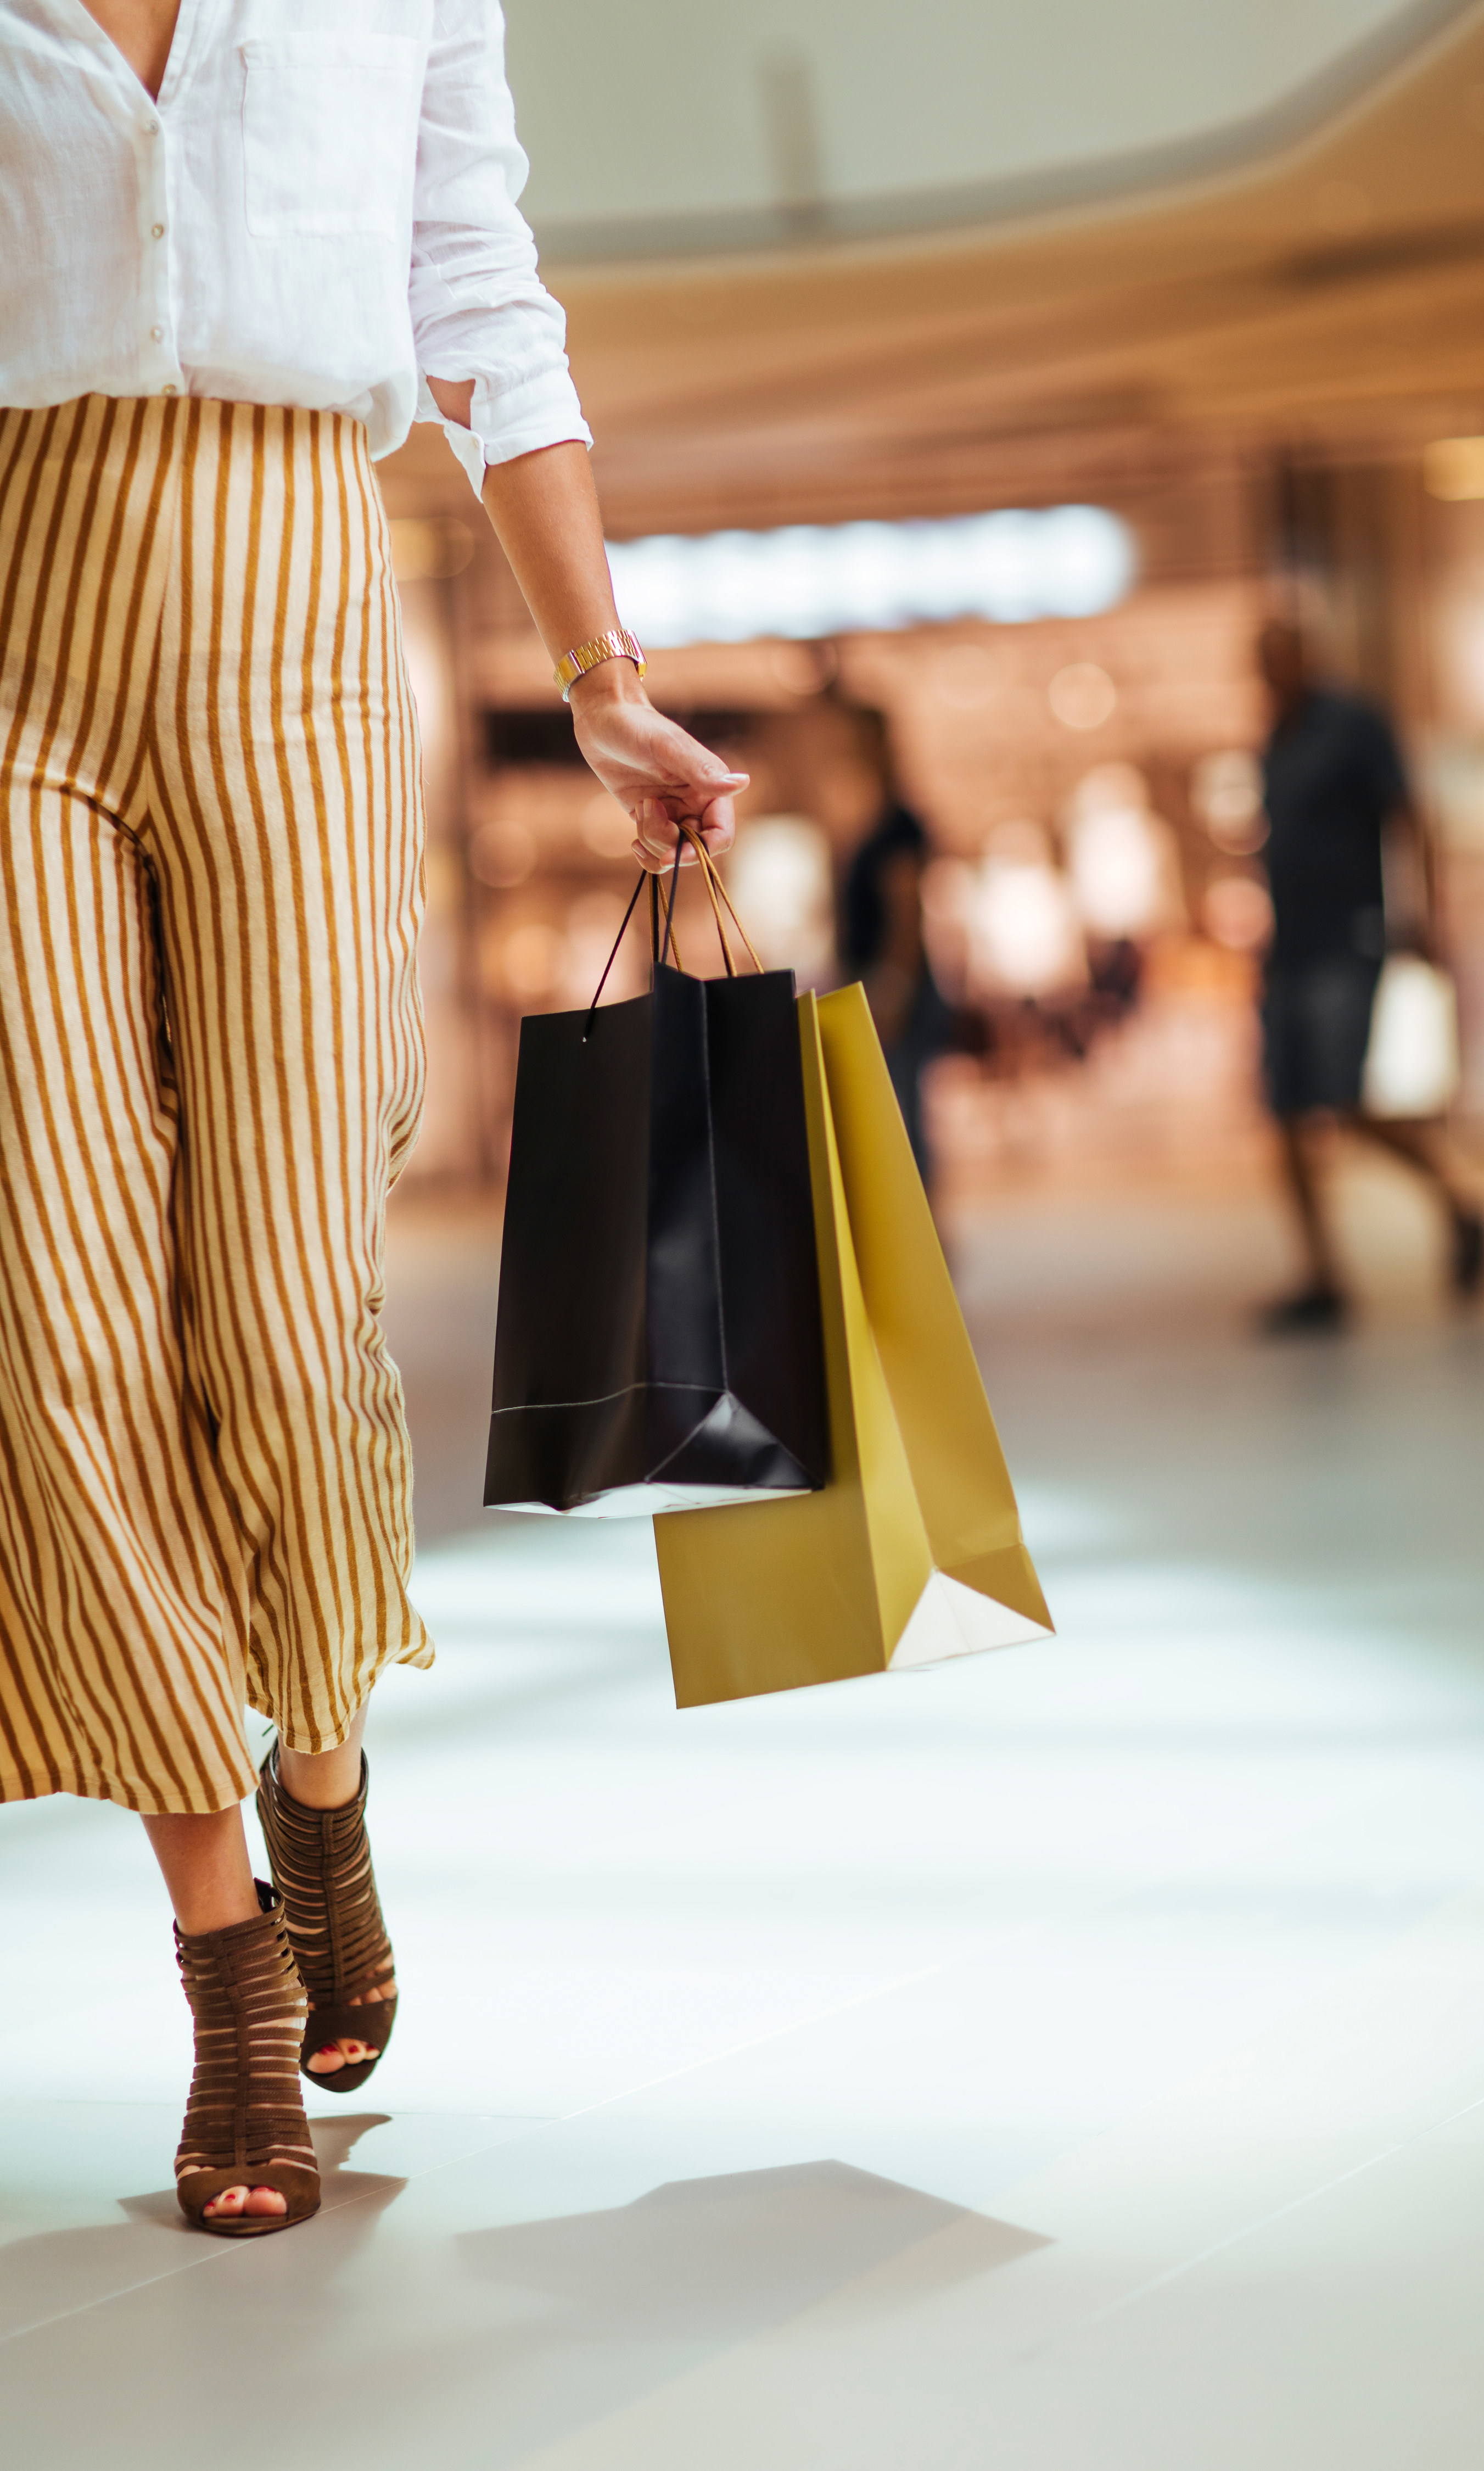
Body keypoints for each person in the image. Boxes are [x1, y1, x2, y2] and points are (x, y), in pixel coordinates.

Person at [0, 0, 743, 2238]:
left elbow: (478, 301)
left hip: (297, 622)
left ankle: (321, 1767)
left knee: (288, 1305)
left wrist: (599, 675)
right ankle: (228, 1955)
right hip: (9, 622)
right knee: (49, 1313)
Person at [1254, 619, 1484, 1333]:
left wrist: (1423, 909)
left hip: (1345, 941)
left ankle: (1460, 1205)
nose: (1276, 670)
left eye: (1284, 656)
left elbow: (1409, 816)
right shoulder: (1277, 741)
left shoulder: (1355, 726)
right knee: (1285, 1114)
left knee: (1346, 1104)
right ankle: (1323, 1275)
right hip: (1287, 951)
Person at [839, 707, 951, 1187]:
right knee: (899, 1111)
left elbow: (906, 916)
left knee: (904, 1113)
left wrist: (893, 988)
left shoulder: (898, 824)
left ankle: (919, 1234)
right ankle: (915, 1230)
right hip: (885, 983)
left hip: (894, 987)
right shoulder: (878, 821)